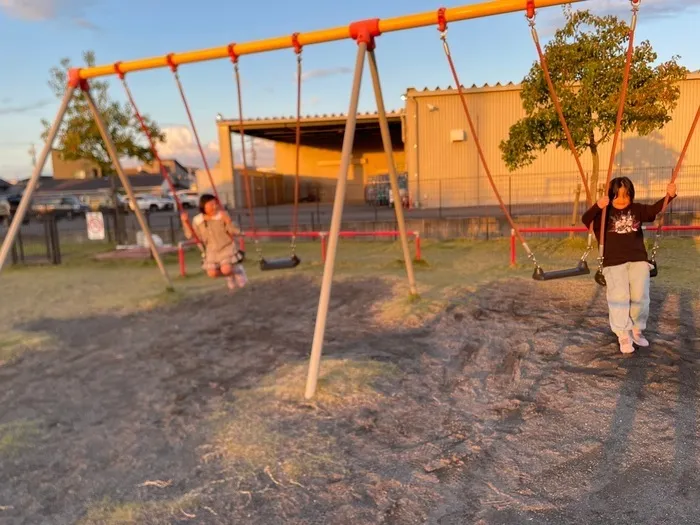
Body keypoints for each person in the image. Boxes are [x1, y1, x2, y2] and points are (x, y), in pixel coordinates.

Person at [582, 177, 677, 354]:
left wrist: (669, 196)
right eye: (617, 196)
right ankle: (623, 334)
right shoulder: (604, 213)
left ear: (631, 195)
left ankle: (636, 329)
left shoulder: (637, 209)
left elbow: (654, 210)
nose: (622, 200)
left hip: (638, 259)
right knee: (619, 297)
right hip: (612, 262)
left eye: (626, 195)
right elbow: (586, 219)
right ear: (611, 196)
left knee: (641, 296)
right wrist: (598, 205)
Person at [181, 194, 248, 291]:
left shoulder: (222, 215)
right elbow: (190, 235)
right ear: (203, 206)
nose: (215, 207)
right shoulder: (198, 220)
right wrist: (185, 222)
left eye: (215, 204)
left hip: (226, 246)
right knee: (212, 273)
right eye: (211, 205)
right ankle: (232, 274)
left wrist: (228, 221)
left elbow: (234, 231)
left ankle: (237, 272)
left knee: (226, 269)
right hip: (211, 249)